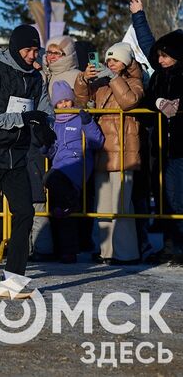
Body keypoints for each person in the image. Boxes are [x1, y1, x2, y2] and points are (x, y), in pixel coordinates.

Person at [0, 24, 54, 298]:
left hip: (16, 158)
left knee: (25, 213)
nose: (32, 55)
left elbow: (44, 109)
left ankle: (13, 279)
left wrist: (45, 126)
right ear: (16, 49)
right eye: (28, 50)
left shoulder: (36, 78)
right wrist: (21, 119)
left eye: (35, 50)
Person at [74, 42, 145, 264]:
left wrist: (114, 79)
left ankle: (126, 253)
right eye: (108, 60)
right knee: (103, 205)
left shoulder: (135, 82)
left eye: (115, 60)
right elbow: (81, 100)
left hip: (124, 150)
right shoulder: (102, 84)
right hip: (103, 149)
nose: (110, 63)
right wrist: (84, 79)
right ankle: (106, 251)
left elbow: (129, 102)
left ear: (126, 62)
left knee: (121, 205)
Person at [45, 80, 103, 263]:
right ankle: (66, 250)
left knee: (52, 181)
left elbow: (97, 141)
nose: (64, 105)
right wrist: (44, 147)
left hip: (77, 164)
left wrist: (88, 122)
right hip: (59, 167)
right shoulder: (54, 122)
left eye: (67, 101)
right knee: (60, 209)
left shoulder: (79, 118)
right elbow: (52, 150)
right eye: (60, 102)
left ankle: (71, 203)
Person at [147, 30, 183, 257]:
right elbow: (147, 98)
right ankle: (171, 246)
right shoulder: (159, 77)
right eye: (159, 55)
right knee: (168, 200)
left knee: (178, 199)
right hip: (163, 147)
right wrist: (159, 101)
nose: (160, 60)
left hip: (179, 147)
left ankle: (178, 246)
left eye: (165, 55)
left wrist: (179, 105)